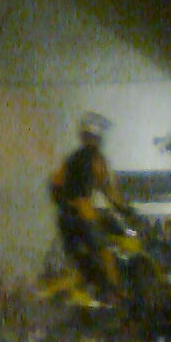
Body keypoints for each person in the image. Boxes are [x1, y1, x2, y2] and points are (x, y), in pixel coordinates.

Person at [49, 111, 128, 298]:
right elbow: (108, 189)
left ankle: (87, 289)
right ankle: (115, 293)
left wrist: (65, 204)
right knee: (105, 251)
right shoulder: (96, 159)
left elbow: (55, 185)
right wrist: (124, 209)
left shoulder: (71, 159)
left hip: (66, 218)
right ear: (96, 137)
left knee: (78, 258)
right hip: (85, 215)